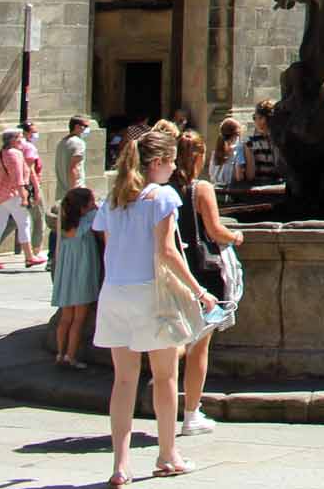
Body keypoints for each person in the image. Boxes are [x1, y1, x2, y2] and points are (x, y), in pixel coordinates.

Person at [93, 121, 213, 484]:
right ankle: (167, 454)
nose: (174, 169)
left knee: (123, 381)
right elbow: (167, 252)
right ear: (157, 161)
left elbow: (108, 247)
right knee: (164, 377)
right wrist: (199, 291)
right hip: (149, 292)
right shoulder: (162, 197)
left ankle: (120, 465)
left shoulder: (113, 199)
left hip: (114, 291)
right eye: (171, 161)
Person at [169, 129, 242, 437]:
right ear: (198, 157)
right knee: (198, 345)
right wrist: (236, 236)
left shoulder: (161, 188)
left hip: (172, 269)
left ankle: (165, 401)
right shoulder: (200, 189)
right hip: (201, 273)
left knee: (173, 338)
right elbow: (214, 229)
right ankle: (191, 414)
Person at [51, 186, 103, 367]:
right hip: (82, 275)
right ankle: (70, 356)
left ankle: (59, 353)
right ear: (83, 207)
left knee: (65, 318)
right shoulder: (90, 219)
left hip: (66, 277)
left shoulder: (64, 224)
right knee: (78, 320)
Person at [0, 128, 43, 271]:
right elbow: (18, 177)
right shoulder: (15, 154)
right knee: (24, 223)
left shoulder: (1, 154)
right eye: (20, 137)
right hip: (13, 194)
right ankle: (29, 257)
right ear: (13, 139)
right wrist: (24, 196)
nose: (22, 139)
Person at [50, 116, 90, 265]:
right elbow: (74, 168)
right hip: (73, 192)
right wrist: (75, 193)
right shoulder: (78, 143)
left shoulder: (63, 142)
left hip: (61, 190)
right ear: (77, 127)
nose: (87, 129)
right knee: (74, 225)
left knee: (59, 225)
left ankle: (52, 256)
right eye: (85, 126)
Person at [241, 101, 281, 188]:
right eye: (255, 118)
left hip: (277, 187)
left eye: (261, 118)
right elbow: (250, 176)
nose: (257, 121)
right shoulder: (249, 142)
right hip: (260, 188)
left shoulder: (279, 140)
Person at [208, 118, 244, 187]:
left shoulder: (215, 154)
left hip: (216, 191)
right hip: (230, 192)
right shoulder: (236, 153)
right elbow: (239, 177)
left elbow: (211, 176)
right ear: (235, 136)